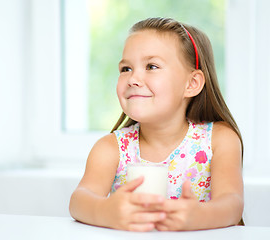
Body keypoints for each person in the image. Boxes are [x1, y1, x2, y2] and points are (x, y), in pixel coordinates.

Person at [69, 17, 244, 232]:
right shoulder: (110, 149)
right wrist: (105, 211)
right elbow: (79, 200)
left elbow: (232, 204)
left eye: (151, 66)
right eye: (126, 69)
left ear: (191, 84)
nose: (133, 78)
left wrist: (199, 217)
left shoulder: (219, 140)